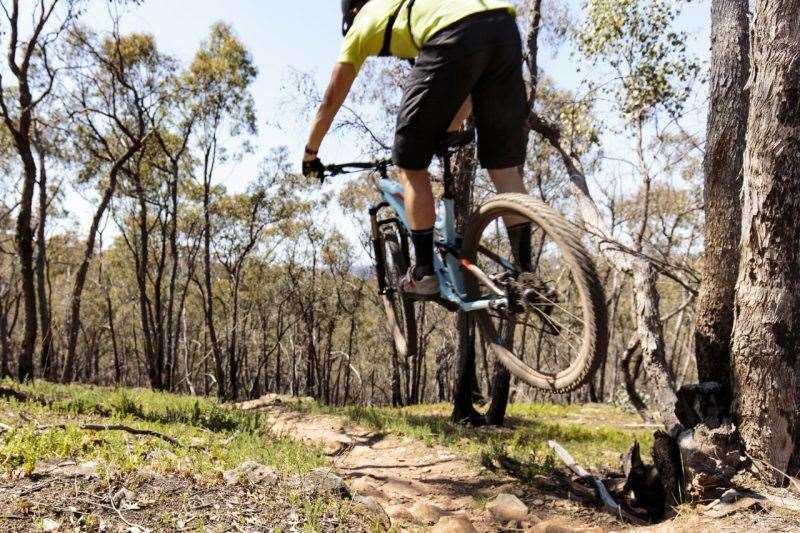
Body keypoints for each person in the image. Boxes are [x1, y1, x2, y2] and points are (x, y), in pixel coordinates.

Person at [302, 0, 532, 296]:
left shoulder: (362, 21)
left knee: (410, 163)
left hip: (454, 33)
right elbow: (471, 84)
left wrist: (311, 153)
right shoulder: (415, 6)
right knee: (504, 167)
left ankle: (424, 273)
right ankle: (528, 276)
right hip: (504, 27)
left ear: (353, 11)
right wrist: (446, 130)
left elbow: (330, 100)